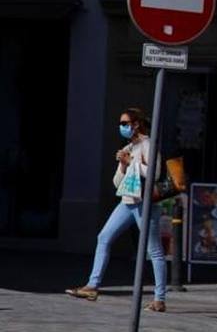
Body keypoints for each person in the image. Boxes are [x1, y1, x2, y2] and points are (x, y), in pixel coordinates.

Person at [67, 107, 169, 312]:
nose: (121, 127)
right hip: (127, 201)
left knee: (154, 250)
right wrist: (123, 165)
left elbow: (154, 173)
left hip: (145, 202)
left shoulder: (148, 145)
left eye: (125, 123)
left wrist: (131, 162)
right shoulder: (129, 147)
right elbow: (117, 182)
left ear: (136, 124)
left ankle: (160, 298)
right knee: (104, 237)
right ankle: (92, 286)